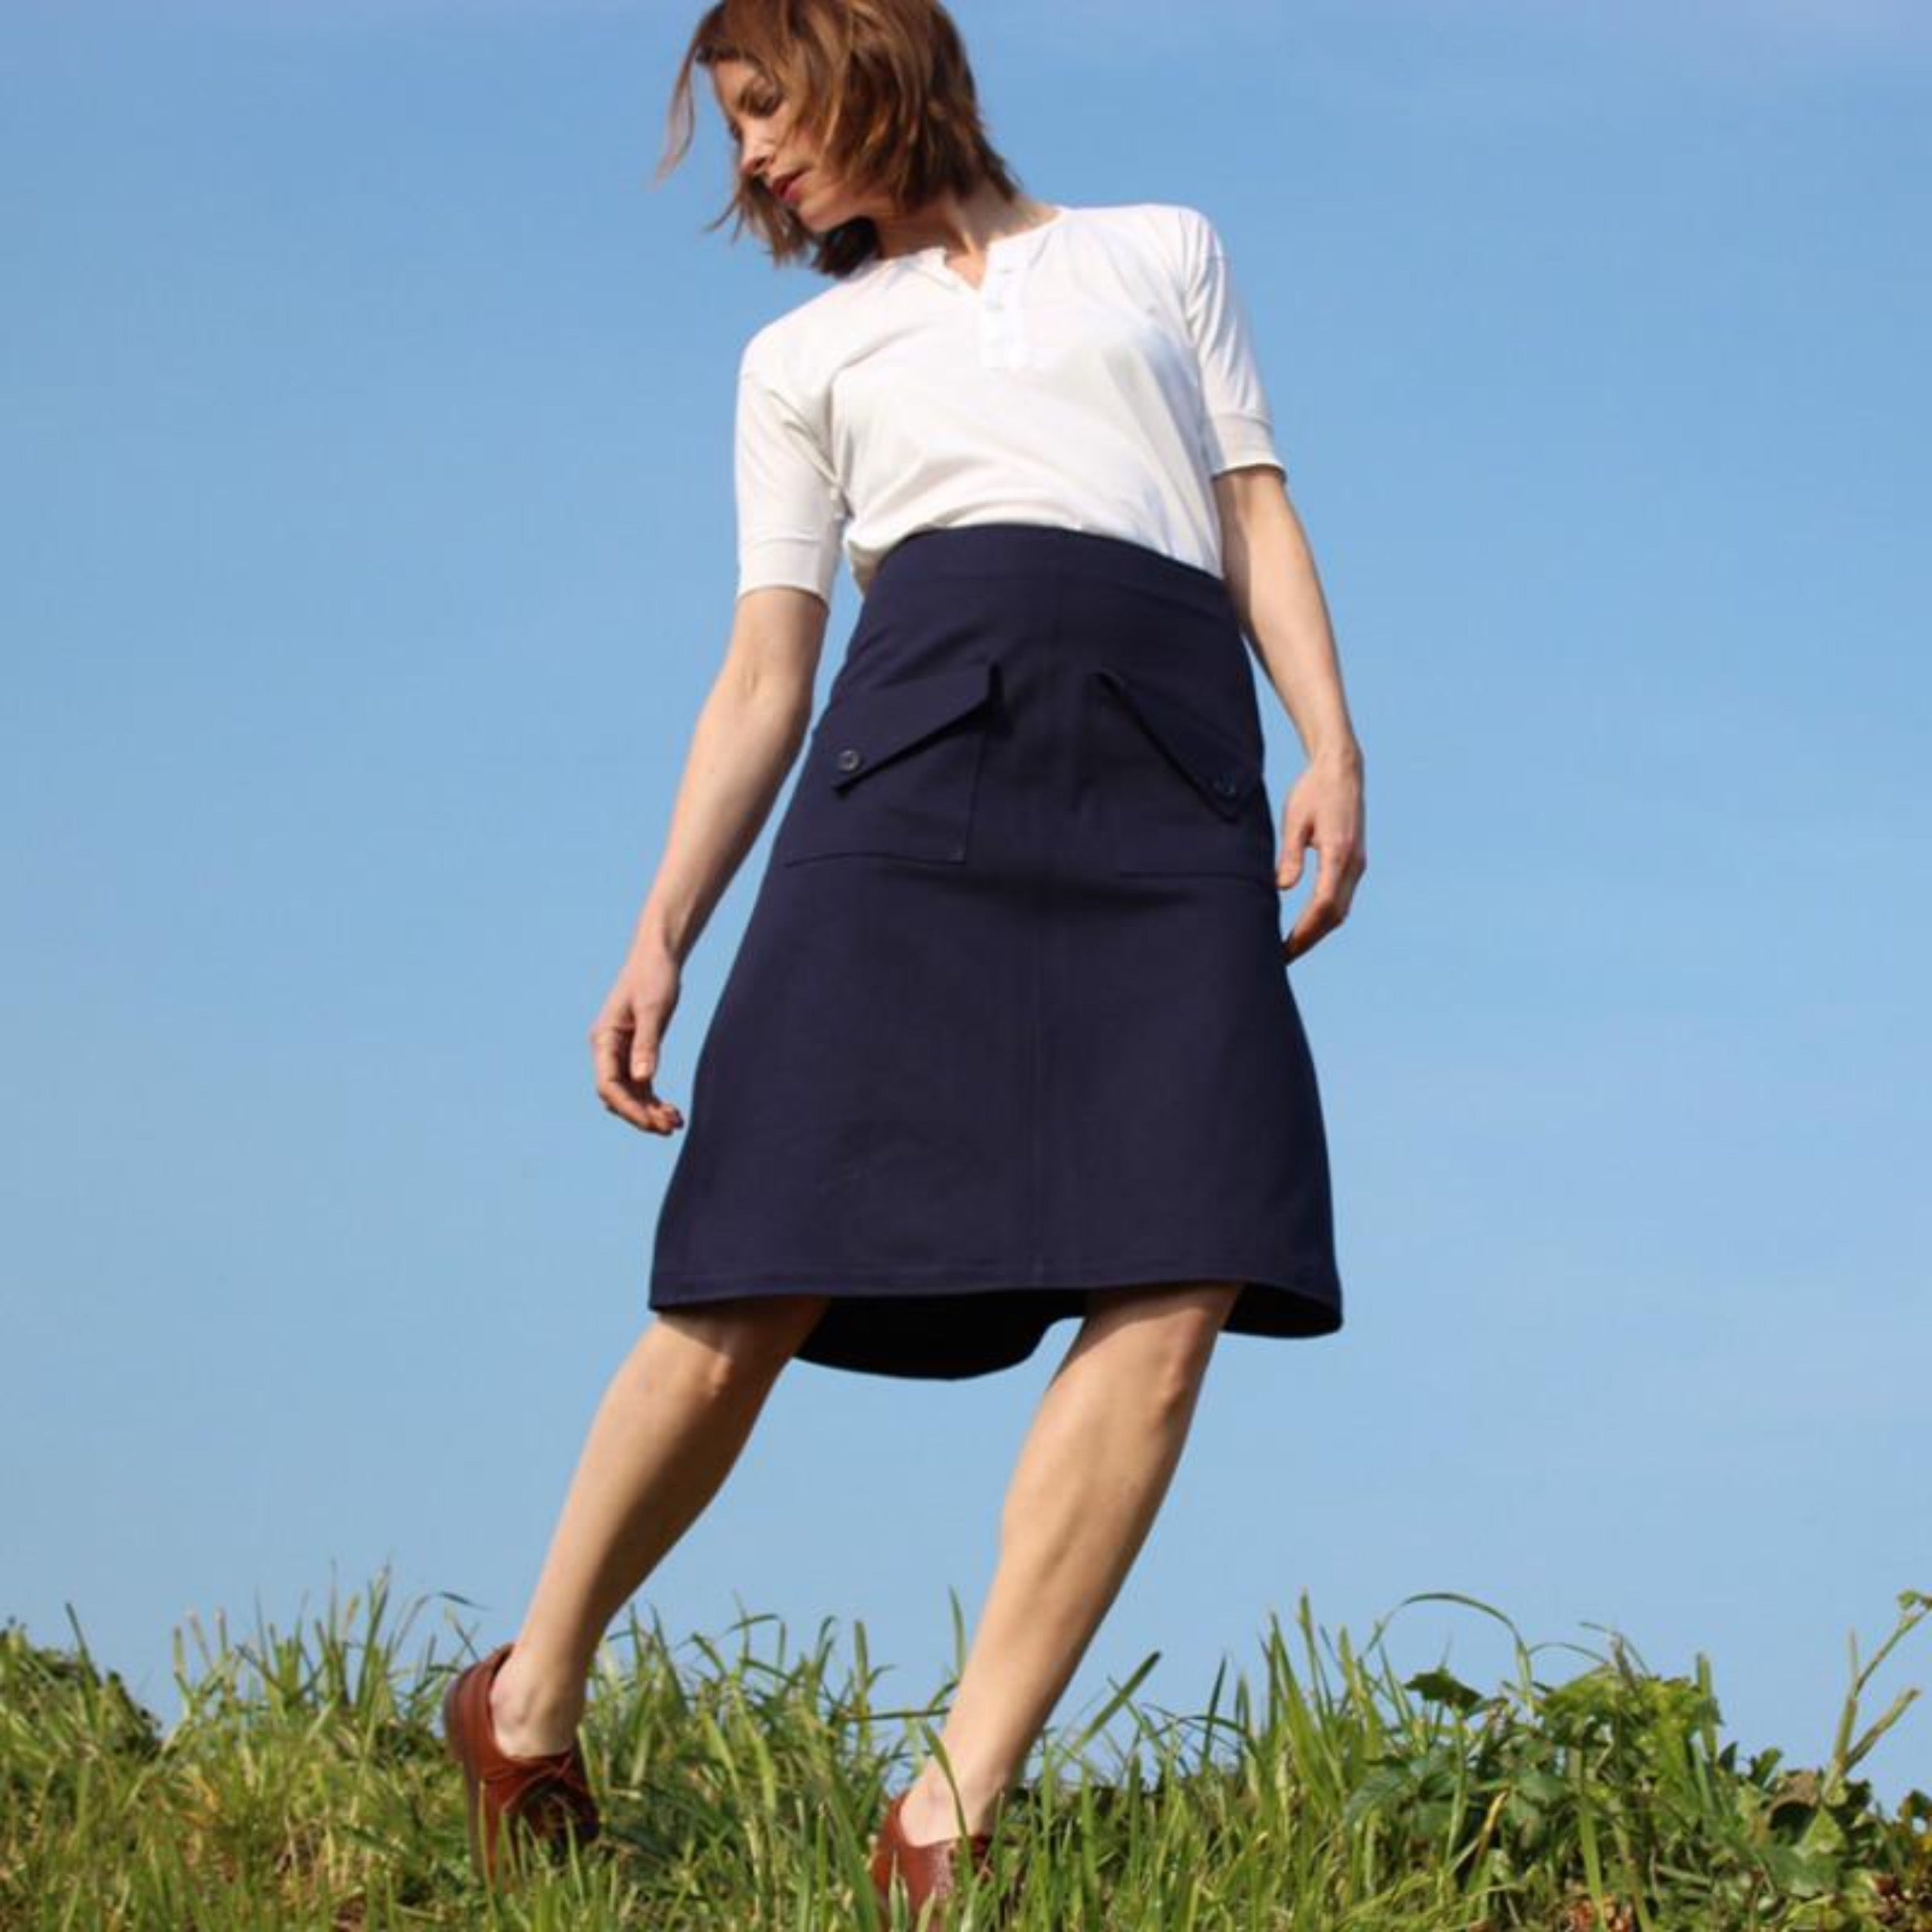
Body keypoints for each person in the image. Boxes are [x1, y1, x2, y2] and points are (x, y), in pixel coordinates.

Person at [443, 0, 1368, 1914]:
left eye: (765, 106)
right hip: (909, 781)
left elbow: (1249, 507)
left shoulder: (1159, 251)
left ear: (870, 60)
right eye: (734, 127)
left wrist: (1330, 743)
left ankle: (949, 1811)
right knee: (750, 1264)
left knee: (1182, 1262)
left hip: (1165, 785)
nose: (752, 157)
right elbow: (763, 672)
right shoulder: (800, 356)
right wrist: (660, 927)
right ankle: (526, 1697)